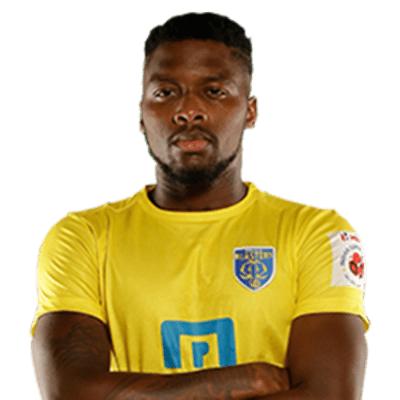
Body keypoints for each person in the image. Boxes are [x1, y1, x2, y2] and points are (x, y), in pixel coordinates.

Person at [30, 11, 371, 400]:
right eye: (165, 92)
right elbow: (70, 393)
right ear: (141, 114)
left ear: (250, 111)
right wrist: (248, 379)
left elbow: (330, 396)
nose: (188, 110)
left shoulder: (319, 234)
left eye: (214, 91)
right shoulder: (82, 237)